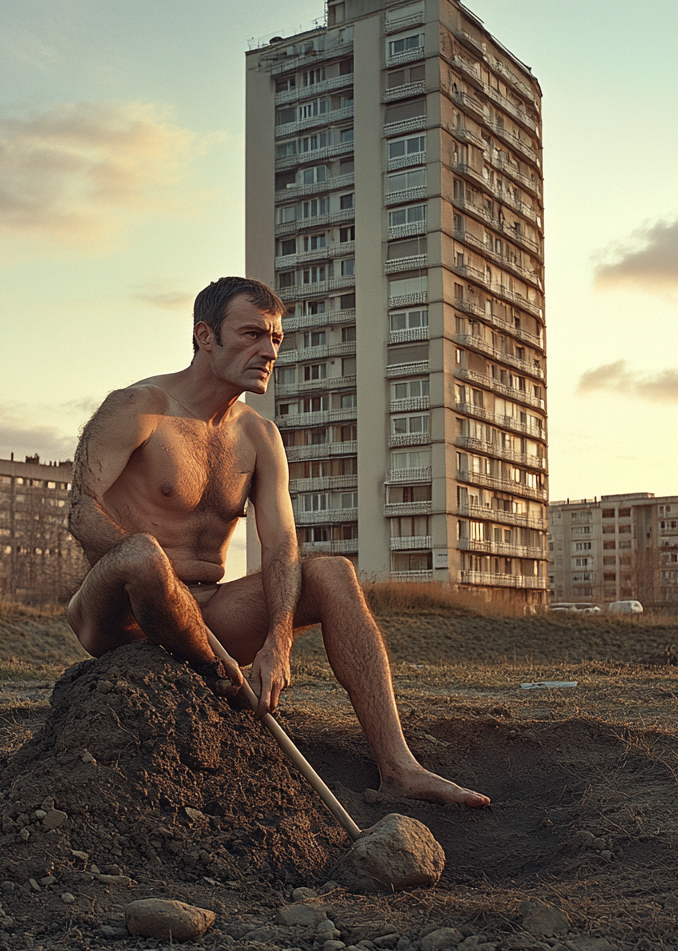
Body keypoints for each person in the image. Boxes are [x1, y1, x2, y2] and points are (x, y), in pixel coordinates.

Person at [67, 276, 489, 807]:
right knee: (145, 555)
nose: (268, 351)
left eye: (276, 339)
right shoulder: (138, 407)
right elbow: (81, 507)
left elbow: (282, 545)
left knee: (331, 571)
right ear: (205, 336)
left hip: (210, 611)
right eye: (251, 334)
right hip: (122, 608)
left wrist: (278, 642)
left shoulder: (258, 437)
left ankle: (399, 767)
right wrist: (155, 576)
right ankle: (211, 671)